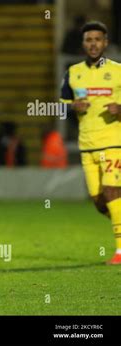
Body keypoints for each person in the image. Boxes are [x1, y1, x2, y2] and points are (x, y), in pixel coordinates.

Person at [60, 21, 121, 265]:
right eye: (88, 40)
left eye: (98, 39)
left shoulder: (118, 70)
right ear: (83, 43)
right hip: (87, 145)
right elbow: (62, 104)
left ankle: (120, 251)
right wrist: (73, 106)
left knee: (112, 192)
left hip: (113, 143)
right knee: (98, 201)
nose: (93, 43)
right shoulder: (73, 73)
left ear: (105, 43)